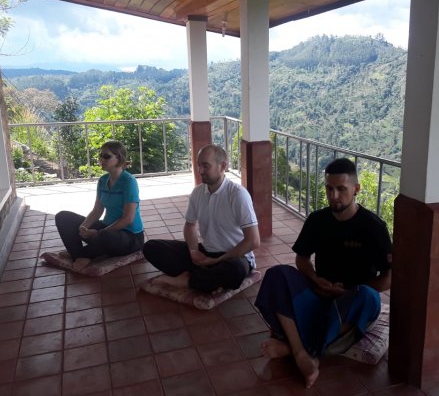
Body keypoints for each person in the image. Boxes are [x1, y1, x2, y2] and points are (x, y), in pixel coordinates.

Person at [254, 157, 392, 388]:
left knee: (368, 297)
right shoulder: (318, 220)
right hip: (319, 291)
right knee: (277, 274)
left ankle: (295, 348)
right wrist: (314, 278)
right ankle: (302, 352)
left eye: (341, 189)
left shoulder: (373, 227)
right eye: (329, 189)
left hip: (352, 300)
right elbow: (302, 258)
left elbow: (389, 277)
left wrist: (348, 291)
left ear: (356, 189)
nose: (334, 196)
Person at [143, 144, 260, 292]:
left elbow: (253, 241)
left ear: (222, 166)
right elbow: (190, 225)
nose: (200, 171)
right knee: (151, 247)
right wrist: (193, 251)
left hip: (235, 256)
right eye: (198, 166)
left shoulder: (237, 195)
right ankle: (203, 277)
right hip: (206, 252)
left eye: (206, 166)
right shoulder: (198, 192)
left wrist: (217, 260)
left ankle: (188, 281)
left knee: (234, 271)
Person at [55, 140, 144, 269]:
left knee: (106, 236)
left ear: (119, 158)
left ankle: (82, 254)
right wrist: (84, 226)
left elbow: (128, 219)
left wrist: (98, 234)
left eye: (106, 156)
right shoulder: (103, 181)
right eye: (100, 156)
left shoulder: (129, 181)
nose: (101, 159)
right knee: (63, 217)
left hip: (130, 237)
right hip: (106, 228)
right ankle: (81, 254)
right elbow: (97, 210)